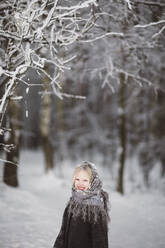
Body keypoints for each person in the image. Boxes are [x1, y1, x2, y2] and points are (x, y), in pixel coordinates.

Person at [53, 161, 111, 248]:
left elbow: (100, 241)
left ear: (93, 182)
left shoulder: (95, 210)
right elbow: (63, 232)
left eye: (85, 180)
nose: (80, 183)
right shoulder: (72, 203)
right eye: (77, 179)